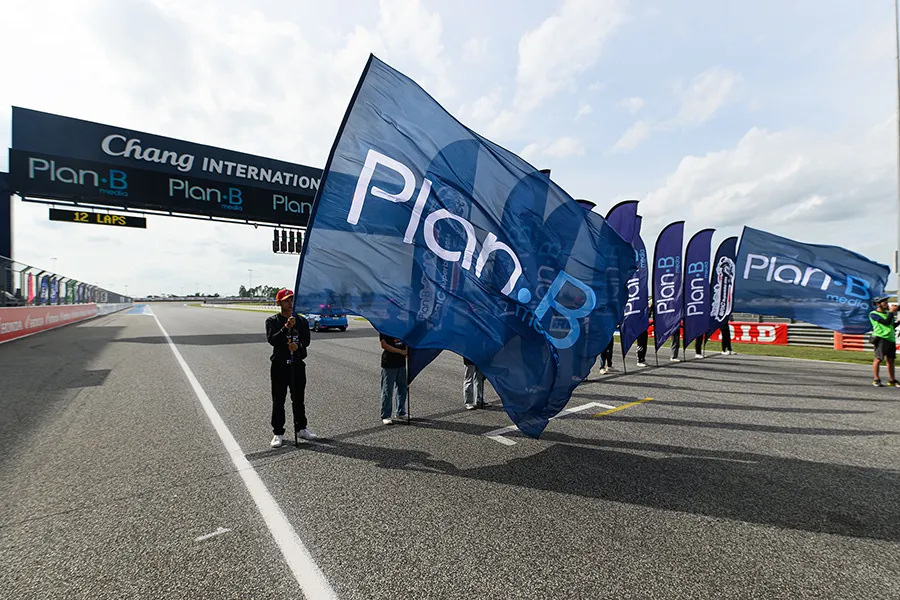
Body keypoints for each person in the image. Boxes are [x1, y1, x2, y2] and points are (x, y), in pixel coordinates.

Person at [265, 288, 316, 447]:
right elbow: (273, 340)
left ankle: (301, 428)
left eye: (292, 299)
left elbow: (306, 340)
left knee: (298, 399)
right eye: (286, 300)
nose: (290, 303)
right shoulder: (272, 321)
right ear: (279, 302)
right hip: (279, 365)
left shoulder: (302, 321)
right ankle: (278, 432)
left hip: (297, 364)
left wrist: (298, 346)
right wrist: (286, 327)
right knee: (278, 400)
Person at [869, 295, 899, 387]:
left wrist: (899, 322)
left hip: (890, 338)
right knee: (878, 359)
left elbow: (891, 325)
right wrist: (891, 312)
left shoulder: (887, 313)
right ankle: (876, 379)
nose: (887, 304)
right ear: (878, 304)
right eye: (884, 302)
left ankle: (892, 380)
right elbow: (885, 322)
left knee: (891, 360)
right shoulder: (873, 314)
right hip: (881, 338)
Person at [380, 332, 408, 424]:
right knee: (387, 390)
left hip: (401, 363)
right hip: (389, 364)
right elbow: (383, 345)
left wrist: (406, 350)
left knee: (402, 388)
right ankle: (386, 415)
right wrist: (400, 351)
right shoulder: (384, 328)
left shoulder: (402, 327)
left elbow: (406, 340)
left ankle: (400, 412)